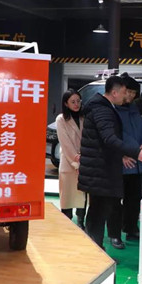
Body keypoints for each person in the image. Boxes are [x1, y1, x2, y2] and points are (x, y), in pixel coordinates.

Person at [78, 76, 142, 251]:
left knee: (97, 213)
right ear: (114, 92)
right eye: (124, 92)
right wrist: (136, 153)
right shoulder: (102, 110)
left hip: (99, 171)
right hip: (100, 172)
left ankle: (96, 251)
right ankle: (96, 253)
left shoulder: (104, 107)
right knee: (98, 214)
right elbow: (110, 139)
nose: (126, 96)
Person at [55, 89, 86, 229]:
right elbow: (65, 143)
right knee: (67, 197)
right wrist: (76, 159)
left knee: (82, 196)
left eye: (78, 101)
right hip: (69, 163)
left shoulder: (84, 117)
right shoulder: (61, 119)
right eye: (73, 102)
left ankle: (81, 222)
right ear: (66, 104)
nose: (76, 104)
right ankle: (66, 224)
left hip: (84, 161)